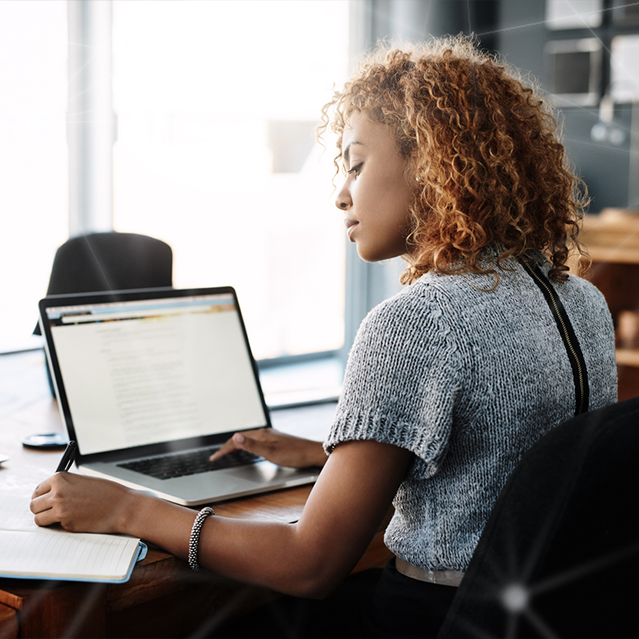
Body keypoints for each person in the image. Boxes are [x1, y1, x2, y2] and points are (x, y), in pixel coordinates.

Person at [30, 36, 617, 638]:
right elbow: (501, 466)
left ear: (433, 163)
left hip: (429, 621)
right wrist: (329, 455)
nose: (341, 194)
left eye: (357, 164)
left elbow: (308, 565)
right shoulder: (580, 300)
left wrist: (128, 507)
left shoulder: (421, 321)